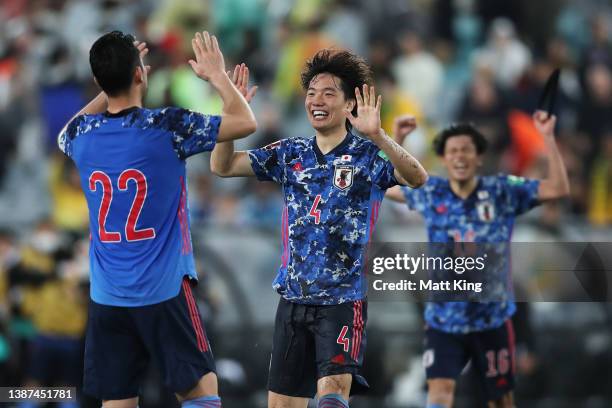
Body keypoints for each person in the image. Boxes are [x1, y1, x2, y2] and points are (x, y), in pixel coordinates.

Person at [210, 50, 428, 408]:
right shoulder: (290, 152)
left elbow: (417, 178)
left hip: (342, 301)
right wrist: (228, 113)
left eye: (328, 93)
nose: (317, 100)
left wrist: (379, 136)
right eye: (312, 92)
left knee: (332, 393)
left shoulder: (365, 156)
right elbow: (223, 166)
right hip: (293, 300)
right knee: (281, 404)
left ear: (348, 104)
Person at [57, 30, 257, 408]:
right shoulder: (166, 126)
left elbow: (66, 131)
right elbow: (245, 123)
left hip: (107, 296)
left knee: (117, 401)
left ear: (99, 81)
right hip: (162, 289)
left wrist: (110, 78)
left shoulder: (82, 136)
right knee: (201, 390)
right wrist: (219, 78)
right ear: (140, 74)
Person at [386, 114, 569, 408]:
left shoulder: (501, 191)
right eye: (452, 151)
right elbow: (385, 186)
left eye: (466, 150)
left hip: (492, 320)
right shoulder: (432, 192)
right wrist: (398, 140)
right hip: (444, 321)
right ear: (444, 160)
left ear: (479, 157)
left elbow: (557, 188)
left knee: (500, 401)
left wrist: (548, 137)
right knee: (440, 394)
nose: (459, 156)